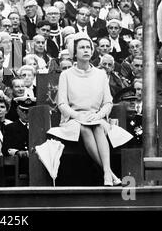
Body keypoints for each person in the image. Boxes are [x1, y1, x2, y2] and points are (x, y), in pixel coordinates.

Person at [47, 32, 132, 186]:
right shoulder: (66, 75)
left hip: (96, 118)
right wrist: (77, 116)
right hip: (74, 120)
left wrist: (99, 115)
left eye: (88, 47)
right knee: (85, 128)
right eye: (81, 48)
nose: (86, 50)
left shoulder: (100, 74)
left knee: (98, 126)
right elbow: (62, 104)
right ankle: (110, 173)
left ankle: (107, 172)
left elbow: (108, 102)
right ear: (75, 52)